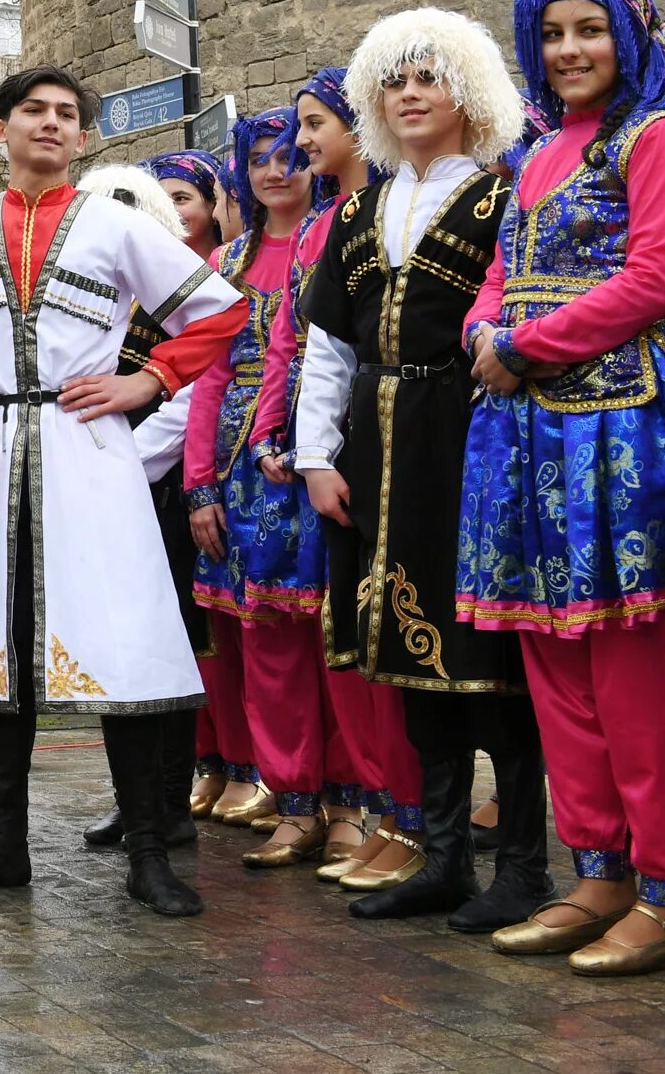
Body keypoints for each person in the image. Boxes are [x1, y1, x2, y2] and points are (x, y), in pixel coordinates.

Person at [0, 66, 248, 917]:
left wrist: (147, 378)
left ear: (83, 137)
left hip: (90, 455)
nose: (50, 124)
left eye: (67, 114)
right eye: (33, 112)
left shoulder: (116, 226)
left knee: (116, 642)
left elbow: (221, 312)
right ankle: (1, 843)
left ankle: (151, 852)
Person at [458, 0, 665, 973]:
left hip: (622, 427)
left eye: (589, 32)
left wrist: (524, 345)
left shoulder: (659, 139)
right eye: (552, 34)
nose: (568, 51)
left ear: (629, 37)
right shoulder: (530, 153)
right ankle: (597, 871)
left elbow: (657, 276)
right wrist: (484, 325)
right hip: (522, 435)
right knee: (553, 661)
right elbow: (498, 274)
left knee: (632, 664)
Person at [290, 8, 553, 934]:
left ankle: (522, 867)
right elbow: (327, 347)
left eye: (428, 78)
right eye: (394, 79)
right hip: (375, 445)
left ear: (467, 93)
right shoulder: (357, 211)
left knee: (496, 657)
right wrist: (316, 454)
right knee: (406, 658)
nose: (409, 93)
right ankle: (442, 857)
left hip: (471, 437)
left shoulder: (503, 197)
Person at [245, 70, 426, 891]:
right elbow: (292, 344)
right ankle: (306, 797)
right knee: (297, 632)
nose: (302, 142)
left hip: (370, 442)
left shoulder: (386, 213)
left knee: (362, 630)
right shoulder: (322, 224)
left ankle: (374, 800)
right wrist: (270, 434)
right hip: (299, 453)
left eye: (315, 124)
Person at [181, 107, 364, 872]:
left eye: (289, 153)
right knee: (266, 642)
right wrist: (198, 484)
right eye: (259, 158)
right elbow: (209, 375)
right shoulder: (225, 262)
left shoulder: (341, 237)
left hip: (326, 448)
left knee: (338, 638)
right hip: (241, 468)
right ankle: (291, 797)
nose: (275, 169)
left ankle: (354, 798)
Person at [70, 162, 202, 855]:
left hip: (156, 490)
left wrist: (120, 466)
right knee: (113, 649)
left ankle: (170, 802)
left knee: (163, 646)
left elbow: (189, 395)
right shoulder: (80, 297)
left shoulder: (169, 294)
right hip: (95, 490)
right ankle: (134, 799)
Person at [144, 149, 263, 824]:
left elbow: (205, 384)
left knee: (223, 625)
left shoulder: (219, 278)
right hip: (163, 466)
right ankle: (206, 760)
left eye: (183, 198)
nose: (171, 213)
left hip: (205, 458)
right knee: (183, 630)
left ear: (213, 204)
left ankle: (247, 763)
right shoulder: (135, 284)